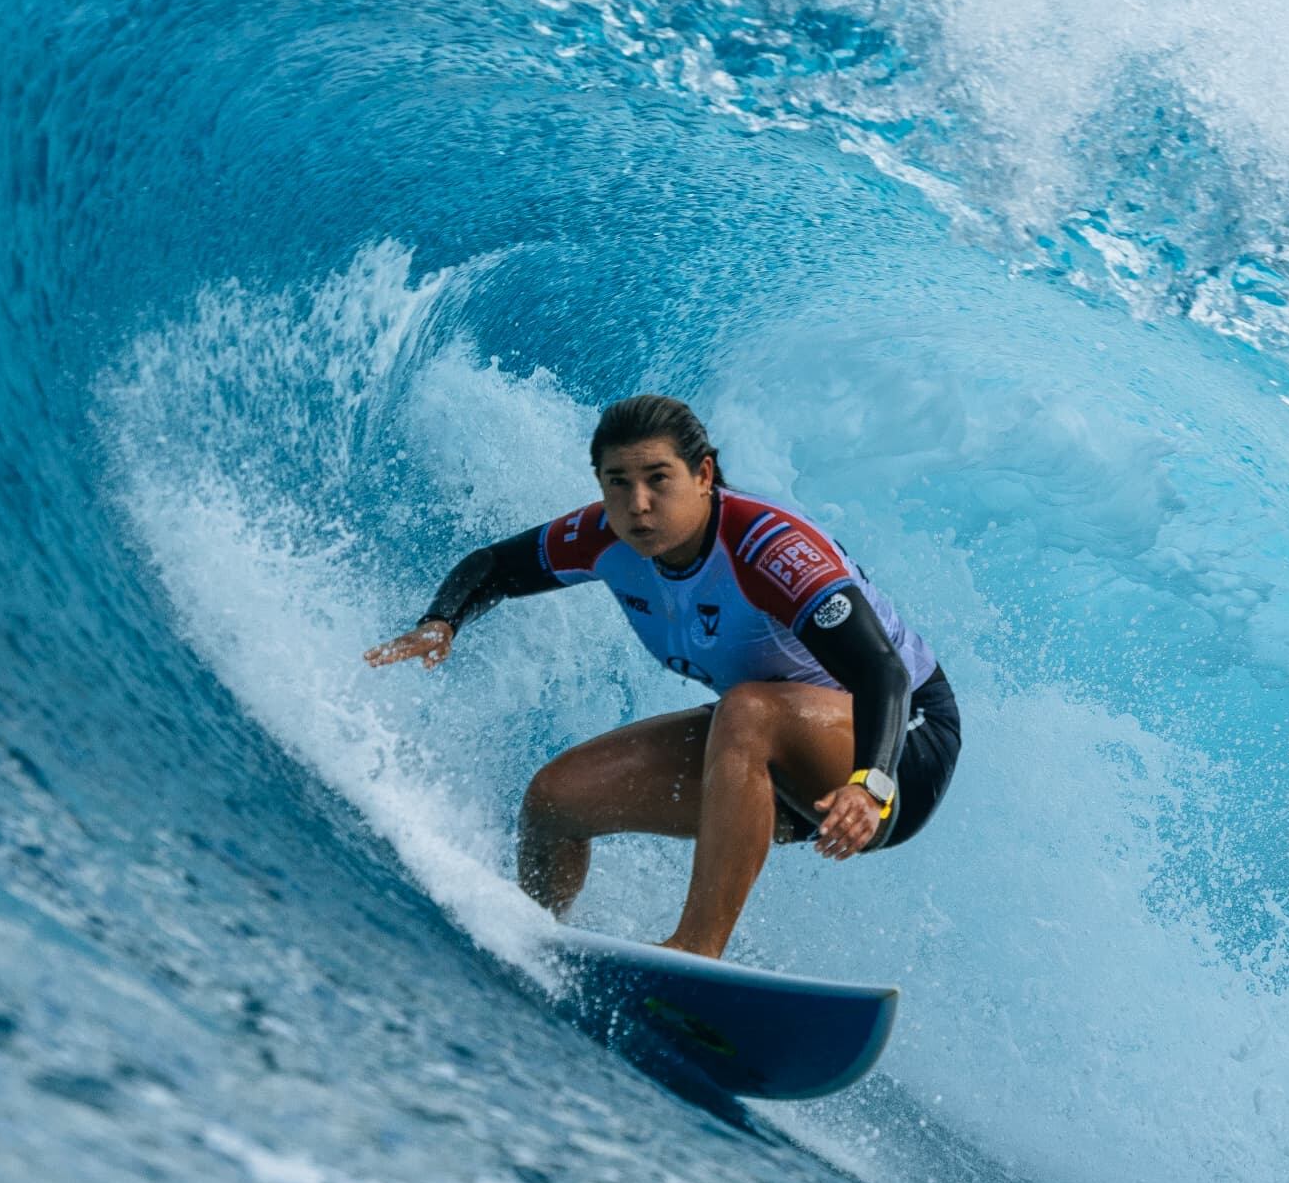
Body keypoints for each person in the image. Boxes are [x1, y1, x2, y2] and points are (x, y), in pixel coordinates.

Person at [363, 393, 960, 960]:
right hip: (768, 748)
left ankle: (696, 950)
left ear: (703, 474)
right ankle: (529, 950)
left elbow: (883, 673)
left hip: (900, 747)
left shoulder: (766, 547)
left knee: (749, 711)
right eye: (617, 483)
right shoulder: (603, 536)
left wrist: (871, 784)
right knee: (555, 801)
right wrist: (442, 621)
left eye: (658, 479)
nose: (638, 504)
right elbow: (495, 567)